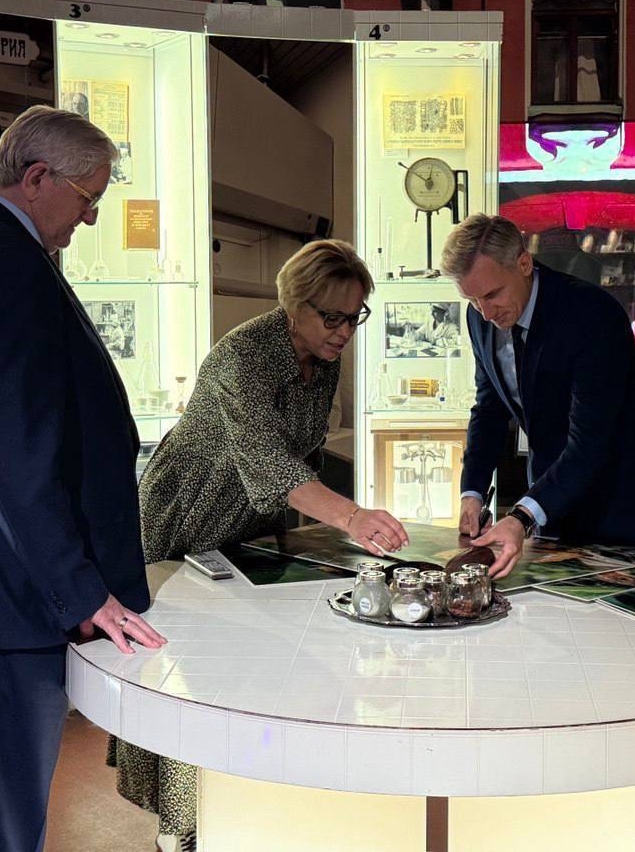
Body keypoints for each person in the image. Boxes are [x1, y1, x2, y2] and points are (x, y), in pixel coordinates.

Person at [0, 105, 167, 852]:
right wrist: (81, 590)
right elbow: (15, 454)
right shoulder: (4, 262)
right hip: (5, 588)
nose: (90, 217)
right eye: (87, 198)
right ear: (38, 177)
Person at [109, 239, 407, 851]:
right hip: (185, 521)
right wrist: (352, 518)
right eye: (333, 317)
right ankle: (180, 826)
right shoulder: (243, 357)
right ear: (294, 304)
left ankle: (244, 811)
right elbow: (270, 461)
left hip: (249, 524)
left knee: (246, 669)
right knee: (187, 679)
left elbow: (300, 453)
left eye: (355, 317)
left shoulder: (322, 356)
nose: (345, 332)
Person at [441, 214, 635, 579]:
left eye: (492, 295)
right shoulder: (479, 318)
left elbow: (590, 442)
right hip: (555, 510)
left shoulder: (591, 315)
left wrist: (522, 517)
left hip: (629, 507)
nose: (486, 313)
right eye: (472, 299)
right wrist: (472, 492)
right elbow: (489, 409)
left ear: (524, 264)